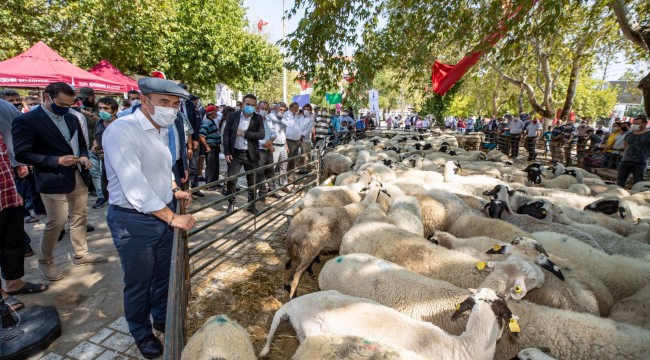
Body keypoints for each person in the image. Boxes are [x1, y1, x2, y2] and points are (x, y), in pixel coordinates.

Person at [103, 77, 196, 359]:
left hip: (160, 213)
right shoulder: (123, 131)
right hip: (134, 221)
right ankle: (141, 333)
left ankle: (162, 319)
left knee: (162, 275)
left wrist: (173, 189)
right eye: (164, 102)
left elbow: (160, 168)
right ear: (144, 101)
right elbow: (135, 188)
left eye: (175, 104)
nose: (171, 108)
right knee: (139, 281)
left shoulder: (158, 129)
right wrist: (172, 218)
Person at [12, 82, 107, 281]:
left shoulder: (71, 118)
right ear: (47, 97)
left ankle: (81, 254)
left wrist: (84, 156)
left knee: (79, 215)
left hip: (77, 174)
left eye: (69, 105)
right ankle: (45, 261)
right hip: (51, 178)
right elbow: (22, 152)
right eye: (62, 104)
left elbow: (81, 143)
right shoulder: (27, 120)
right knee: (57, 221)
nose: (66, 108)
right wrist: (56, 161)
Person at [223, 94, 265, 214]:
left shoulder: (258, 118)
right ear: (242, 104)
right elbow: (226, 134)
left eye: (252, 105)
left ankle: (251, 205)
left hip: (251, 154)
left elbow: (261, 135)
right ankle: (231, 203)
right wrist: (227, 152)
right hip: (235, 153)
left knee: (253, 180)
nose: (250, 107)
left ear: (255, 106)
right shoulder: (233, 116)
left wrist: (245, 133)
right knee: (232, 179)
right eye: (247, 104)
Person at [94, 97, 119, 203]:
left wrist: (110, 153)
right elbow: (96, 138)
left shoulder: (122, 125)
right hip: (104, 163)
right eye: (100, 108)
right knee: (106, 188)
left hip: (118, 165)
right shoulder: (99, 123)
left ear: (115, 111)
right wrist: (95, 145)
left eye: (106, 108)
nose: (102, 111)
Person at [617, 116, 650, 187]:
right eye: (634, 123)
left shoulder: (648, 134)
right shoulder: (629, 134)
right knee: (620, 179)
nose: (635, 125)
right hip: (626, 160)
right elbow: (626, 145)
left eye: (637, 123)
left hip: (640, 162)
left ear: (644, 124)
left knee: (638, 182)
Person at [256, 101, 277, 199]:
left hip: (268, 149)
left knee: (270, 170)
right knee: (260, 172)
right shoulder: (254, 120)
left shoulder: (268, 119)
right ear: (258, 109)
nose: (264, 111)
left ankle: (272, 190)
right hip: (259, 150)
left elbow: (273, 133)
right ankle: (262, 192)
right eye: (262, 109)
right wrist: (269, 145)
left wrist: (270, 142)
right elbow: (255, 137)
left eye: (266, 109)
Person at [198, 105, 222, 187]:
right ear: (212, 112)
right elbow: (201, 135)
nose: (216, 113)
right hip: (211, 147)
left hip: (215, 147)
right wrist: (207, 147)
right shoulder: (206, 122)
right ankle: (210, 184)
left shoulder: (211, 121)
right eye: (215, 111)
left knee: (215, 165)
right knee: (211, 166)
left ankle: (215, 183)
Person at [270, 103, 289, 188]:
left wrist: (286, 145)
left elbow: (284, 134)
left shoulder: (284, 119)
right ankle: (270, 186)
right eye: (280, 110)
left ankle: (283, 184)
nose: (282, 111)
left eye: (284, 110)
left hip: (283, 146)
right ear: (276, 109)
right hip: (274, 146)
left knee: (284, 166)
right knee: (272, 167)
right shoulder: (270, 117)